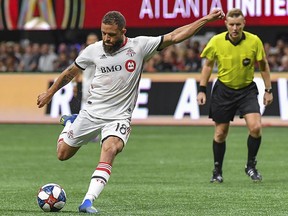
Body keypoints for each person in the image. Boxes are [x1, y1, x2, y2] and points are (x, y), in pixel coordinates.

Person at [37, 9, 225, 213]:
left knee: (109, 149)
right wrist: (49, 93)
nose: (107, 39)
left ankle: (88, 201)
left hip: (119, 116)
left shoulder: (139, 46)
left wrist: (206, 19)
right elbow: (70, 72)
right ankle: (70, 123)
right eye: (103, 33)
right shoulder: (93, 50)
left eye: (111, 34)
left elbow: (175, 36)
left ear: (123, 32)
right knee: (62, 154)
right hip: (91, 113)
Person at [197, 8, 273, 183]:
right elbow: (208, 66)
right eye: (231, 24)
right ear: (226, 24)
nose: (235, 28)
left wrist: (268, 90)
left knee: (255, 128)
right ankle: (217, 171)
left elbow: (263, 65)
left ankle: (251, 166)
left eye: (238, 24)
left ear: (244, 24)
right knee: (220, 133)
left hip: (247, 90)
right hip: (223, 90)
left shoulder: (254, 41)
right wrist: (202, 89)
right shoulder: (216, 41)